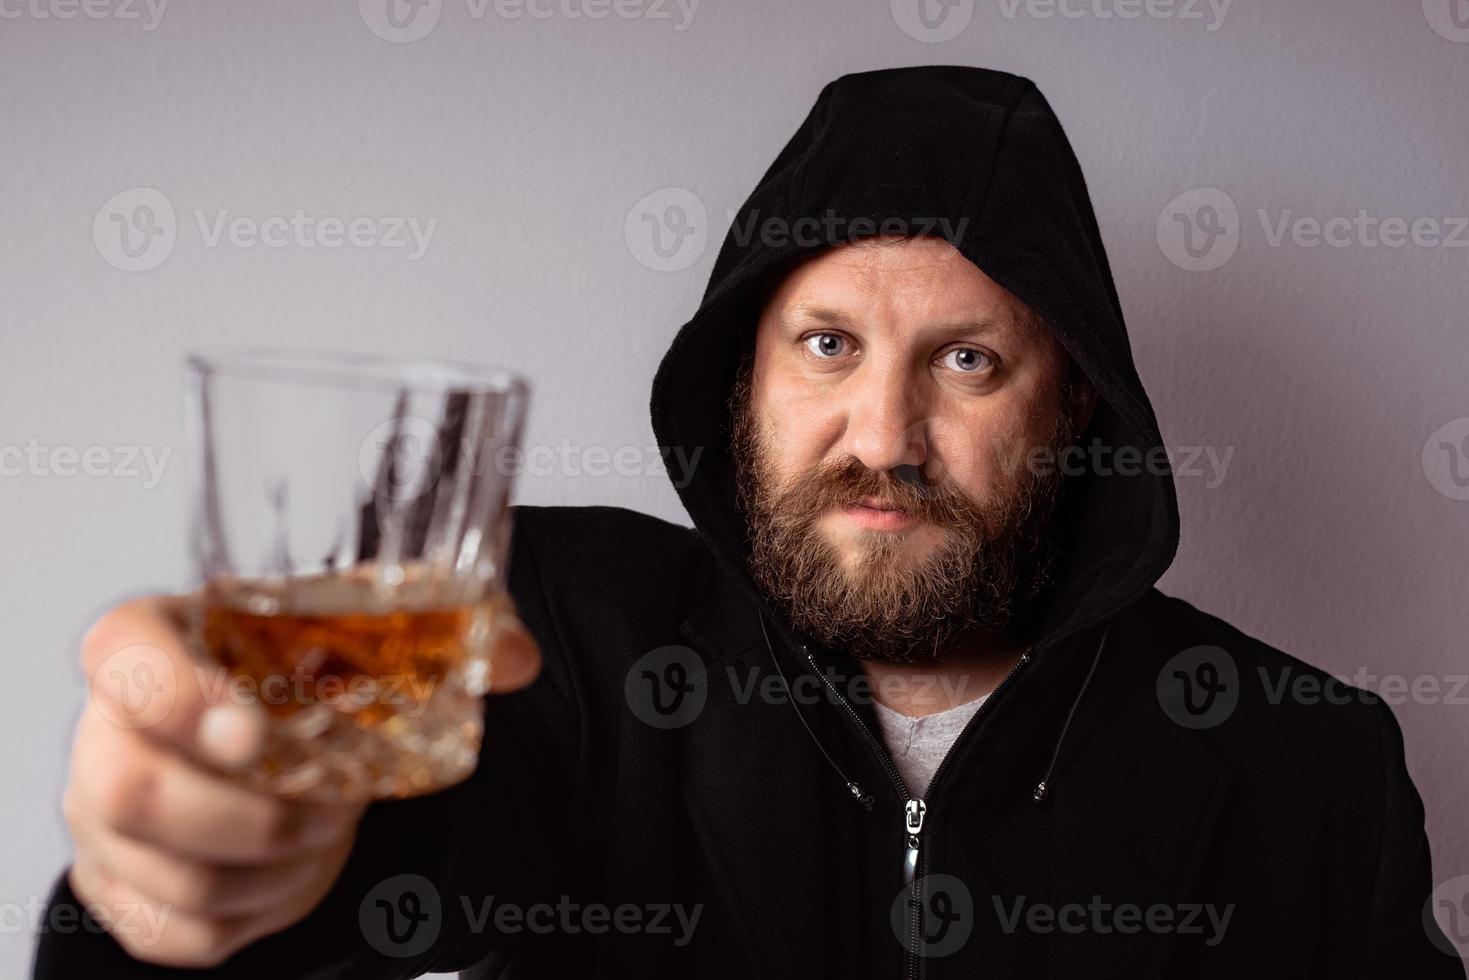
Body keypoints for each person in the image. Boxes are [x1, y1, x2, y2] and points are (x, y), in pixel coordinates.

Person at [33, 65, 1463, 979]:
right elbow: (328, 865)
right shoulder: (554, 624)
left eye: (966, 361)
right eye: (826, 347)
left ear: (1071, 406)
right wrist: (178, 892)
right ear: (744, 382)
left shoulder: (1303, 758)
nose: (883, 441)